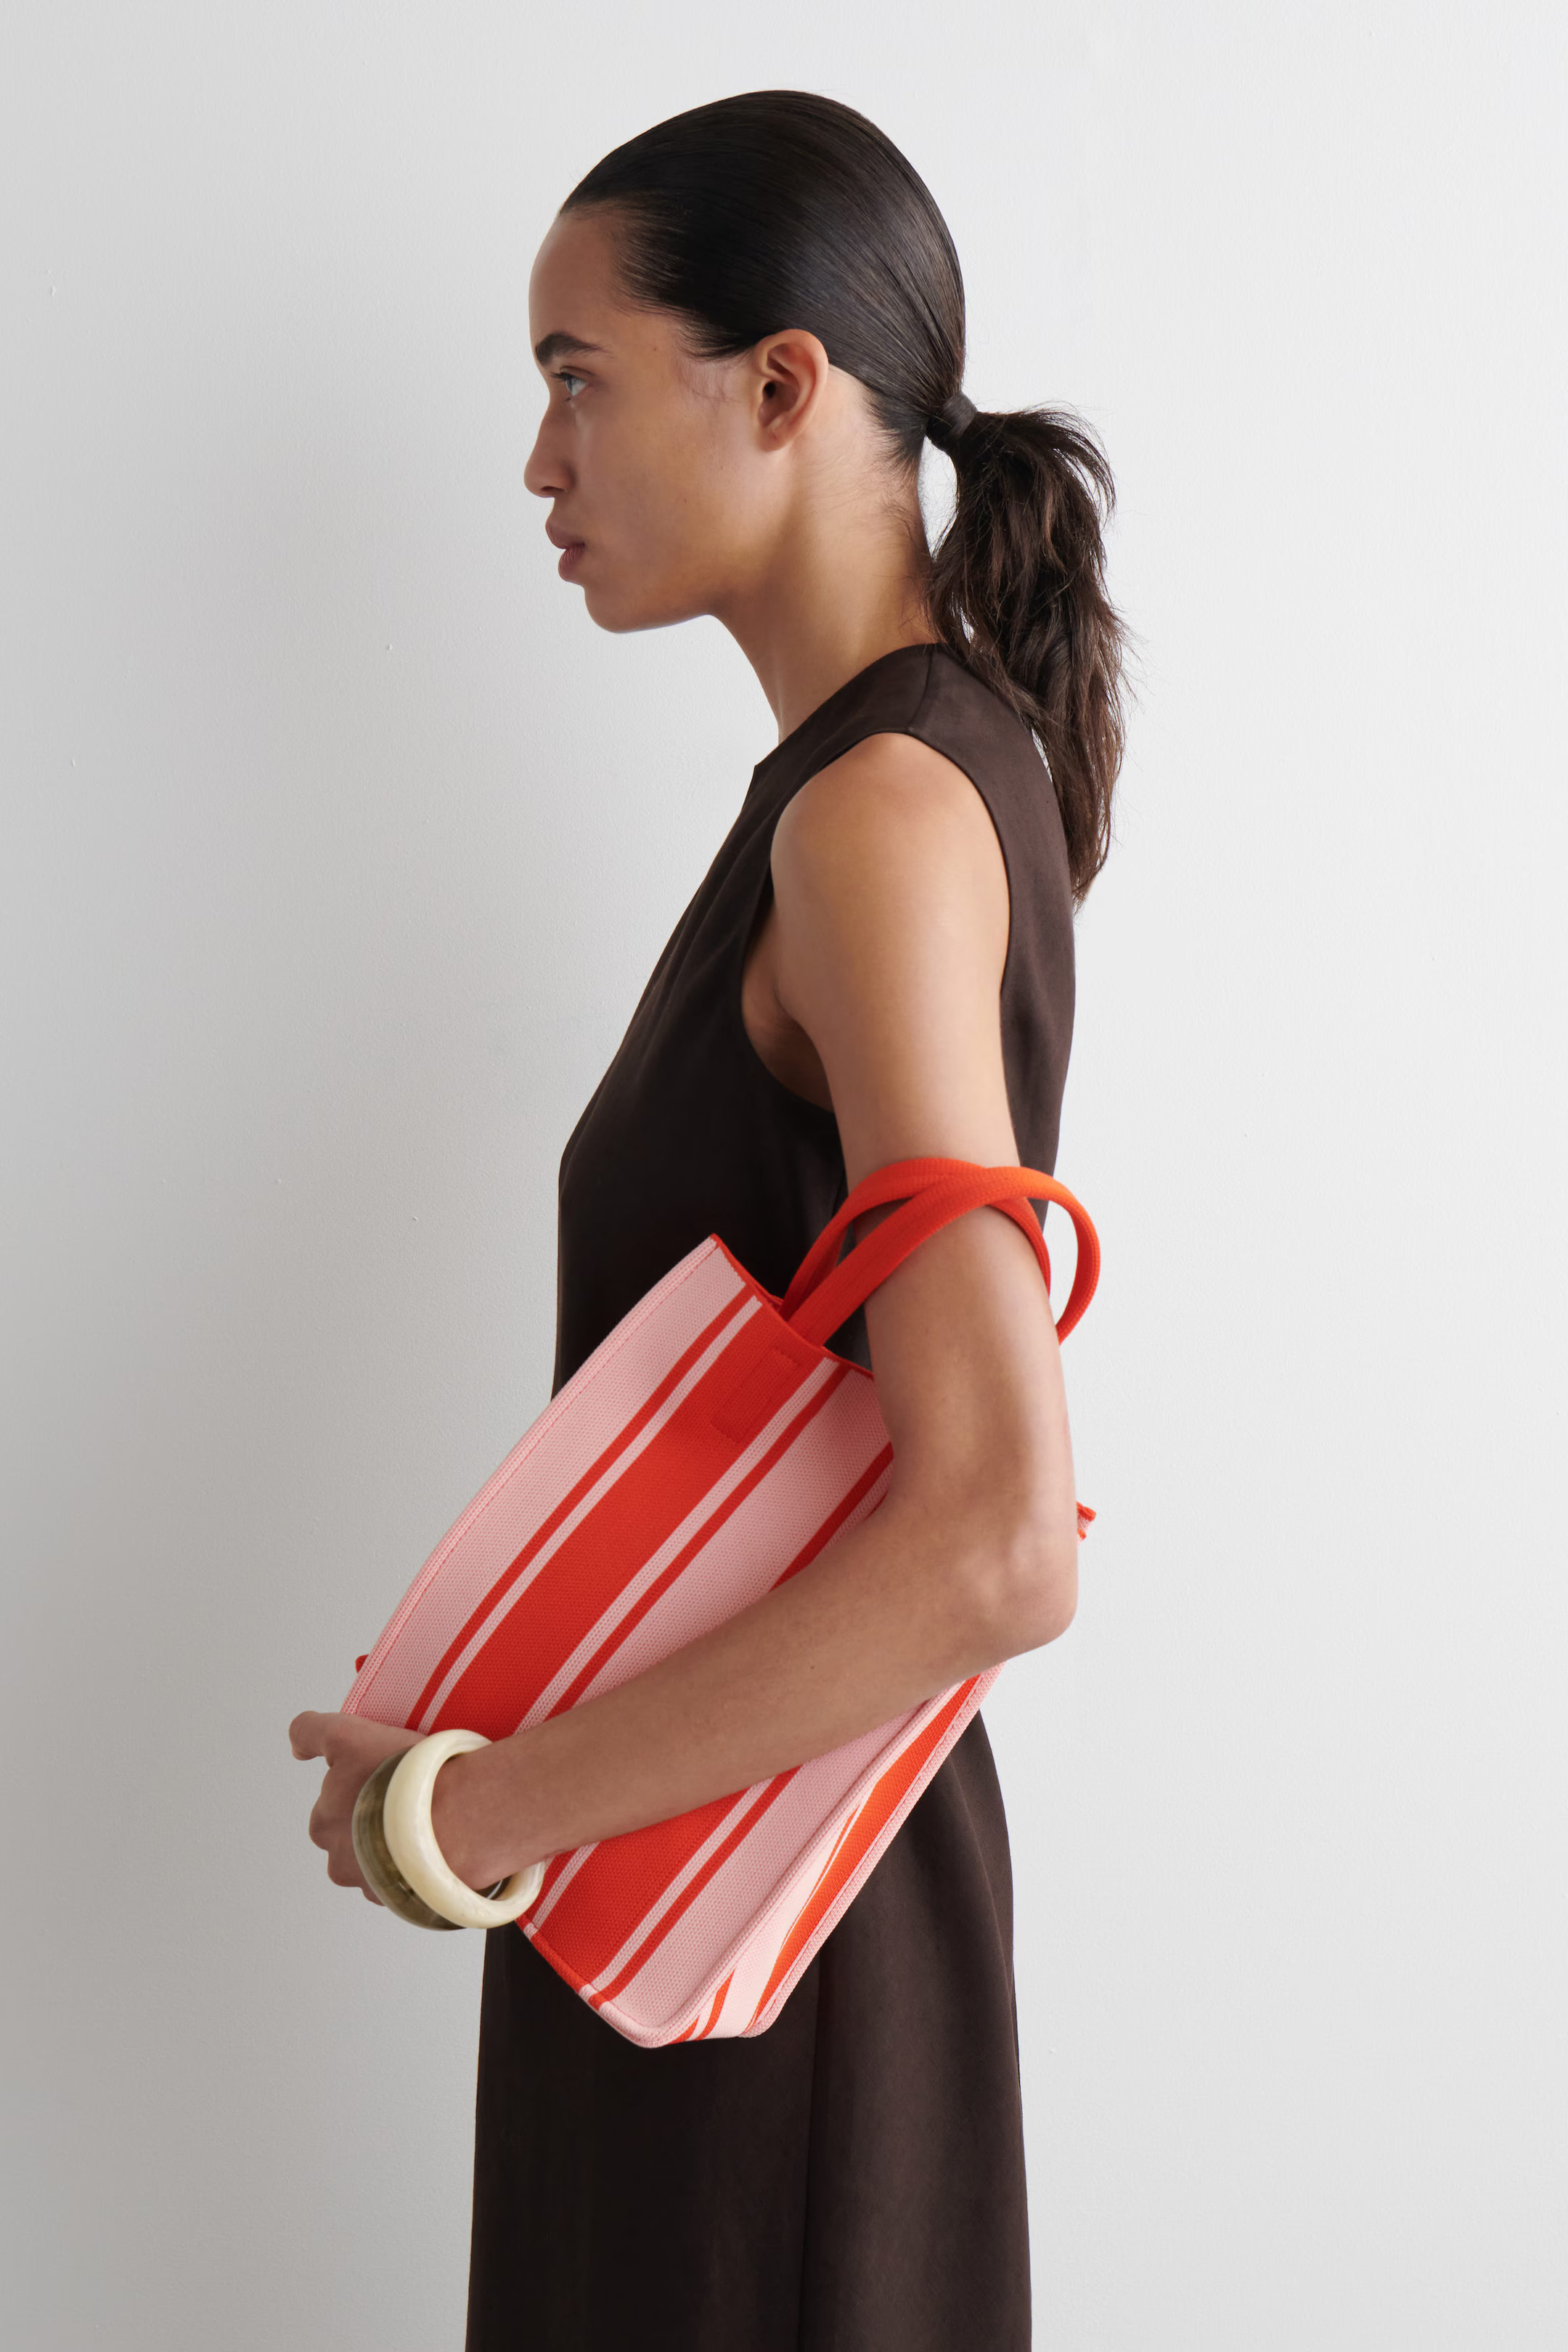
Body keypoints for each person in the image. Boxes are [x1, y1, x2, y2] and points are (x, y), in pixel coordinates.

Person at [290, 88, 1124, 2352]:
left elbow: (999, 1538)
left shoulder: (876, 818)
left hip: (768, 1967)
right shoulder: (886, 786)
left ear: (780, 388)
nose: (537, 462)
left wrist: (477, 1813)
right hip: (715, 1908)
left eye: (577, 378)